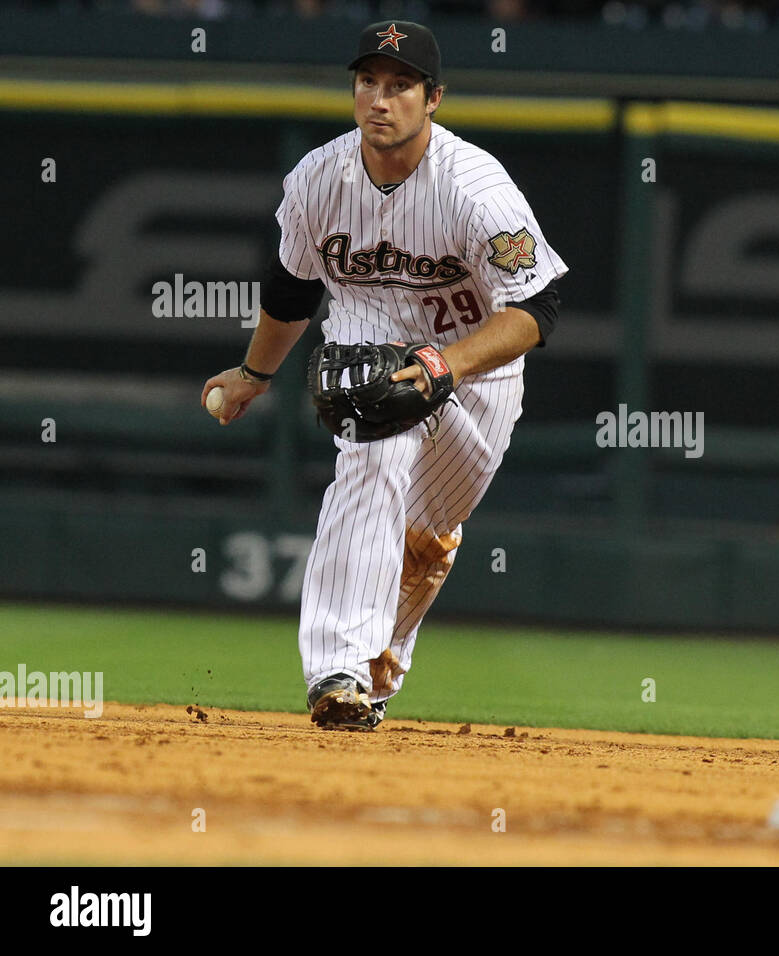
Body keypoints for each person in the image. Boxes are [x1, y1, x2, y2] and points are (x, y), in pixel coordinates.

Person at [201, 20, 567, 729]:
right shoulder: (318, 178)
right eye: (368, 81)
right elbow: (292, 290)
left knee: (425, 537)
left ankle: (375, 667)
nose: (380, 98)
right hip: (369, 335)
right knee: (374, 442)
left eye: (400, 86)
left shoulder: (475, 187)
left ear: (433, 99)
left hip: (478, 367)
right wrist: (253, 373)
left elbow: (538, 309)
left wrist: (443, 365)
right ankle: (337, 668)